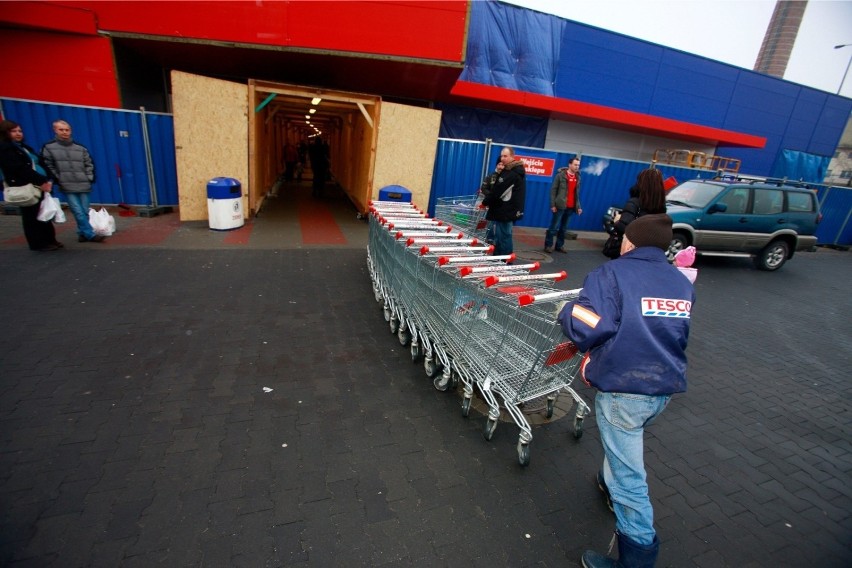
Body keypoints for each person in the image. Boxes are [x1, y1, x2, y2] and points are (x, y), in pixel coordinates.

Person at [556, 214, 695, 568]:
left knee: (630, 480)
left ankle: (636, 557)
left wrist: (567, 310)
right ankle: (607, 481)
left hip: (625, 390)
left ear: (630, 242)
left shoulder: (612, 274)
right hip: (661, 389)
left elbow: (591, 327)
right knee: (624, 448)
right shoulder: (680, 282)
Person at [0, 119, 62, 251]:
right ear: (5, 133)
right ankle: (38, 243)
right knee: (32, 216)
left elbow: (40, 163)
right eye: (13, 131)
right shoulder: (6, 149)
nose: (18, 133)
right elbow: (20, 169)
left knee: (44, 212)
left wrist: (49, 178)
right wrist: (41, 181)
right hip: (27, 186)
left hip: (41, 184)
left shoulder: (24, 147)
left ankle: (50, 239)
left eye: (19, 131)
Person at [40, 120, 105, 243]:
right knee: (77, 211)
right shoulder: (49, 147)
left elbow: (89, 163)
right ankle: (90, 234)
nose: (65, 132)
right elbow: (47, 165)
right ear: (55, 130)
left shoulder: (80, 148)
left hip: (84, 183)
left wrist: (89, 177)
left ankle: (82, 233)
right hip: (67, 184)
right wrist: (58, 178)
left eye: (67, 129)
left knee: (84, 211)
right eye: (61, 129)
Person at [607, 168, 667, 258]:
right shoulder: (661, 208)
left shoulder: (634, 202)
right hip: (649, 252)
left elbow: (623, 228)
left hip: (629, 252)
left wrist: (617, 221)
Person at [482, 146, 525, 256]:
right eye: (501, 156)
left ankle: (503, 259)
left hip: (506, 210)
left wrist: (485, 202)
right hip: (507, 209)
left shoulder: (512, 173)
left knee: (504, 236)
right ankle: (501, 257)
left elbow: (498, 192)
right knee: (504, 235)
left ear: (512, 157)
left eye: (505, 156)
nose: (502, 158)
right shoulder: (510, 171)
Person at [544, 155, 582, 253]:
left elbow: (576, 194)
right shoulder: (560, 176)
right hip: (560, 206)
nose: (577, 167)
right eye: (575, 165)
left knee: (563, 228)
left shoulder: (578, 177)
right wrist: (553, 205)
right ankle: (548, 245)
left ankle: (559, 246)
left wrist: (578, 207)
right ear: (569, 165)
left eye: (578, 165)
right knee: (553, 227)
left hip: (570, 208)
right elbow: (553, 191)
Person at [479, 155, 504, 244]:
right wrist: (491, 196)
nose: (501, 167)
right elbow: (483, 187)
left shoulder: (507, 177)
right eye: (499, 164)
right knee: (490, 223)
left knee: (500, 224)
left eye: (502, 165)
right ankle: (490, 239)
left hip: (502, 205)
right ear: (497, 165)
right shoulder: (490, 176)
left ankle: (498, 239)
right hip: (491, 204)